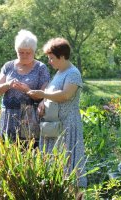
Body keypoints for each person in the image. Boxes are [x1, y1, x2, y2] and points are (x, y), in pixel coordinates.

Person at [27, 38, 87, 188]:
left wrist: (42, 95)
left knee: (67, 160)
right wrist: (42, 102)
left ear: (62, 56)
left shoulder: (73, 73)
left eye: (51, 58)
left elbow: (65, 95)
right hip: (54, 125)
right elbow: (51, 93)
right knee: (54, 162)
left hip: (67, 124)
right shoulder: (60, 72)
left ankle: (73, 194)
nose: (49, 61)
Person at [0, 29, 50, 145]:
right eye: (20, 52)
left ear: (34, 52)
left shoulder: (41, 68)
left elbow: (44, 96)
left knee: (28, 151)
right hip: (8, 114)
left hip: (29, 116)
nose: (24, 55)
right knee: (8, 151)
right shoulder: (8, 66)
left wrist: (27, 90)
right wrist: (7, 85)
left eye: (27, 53)